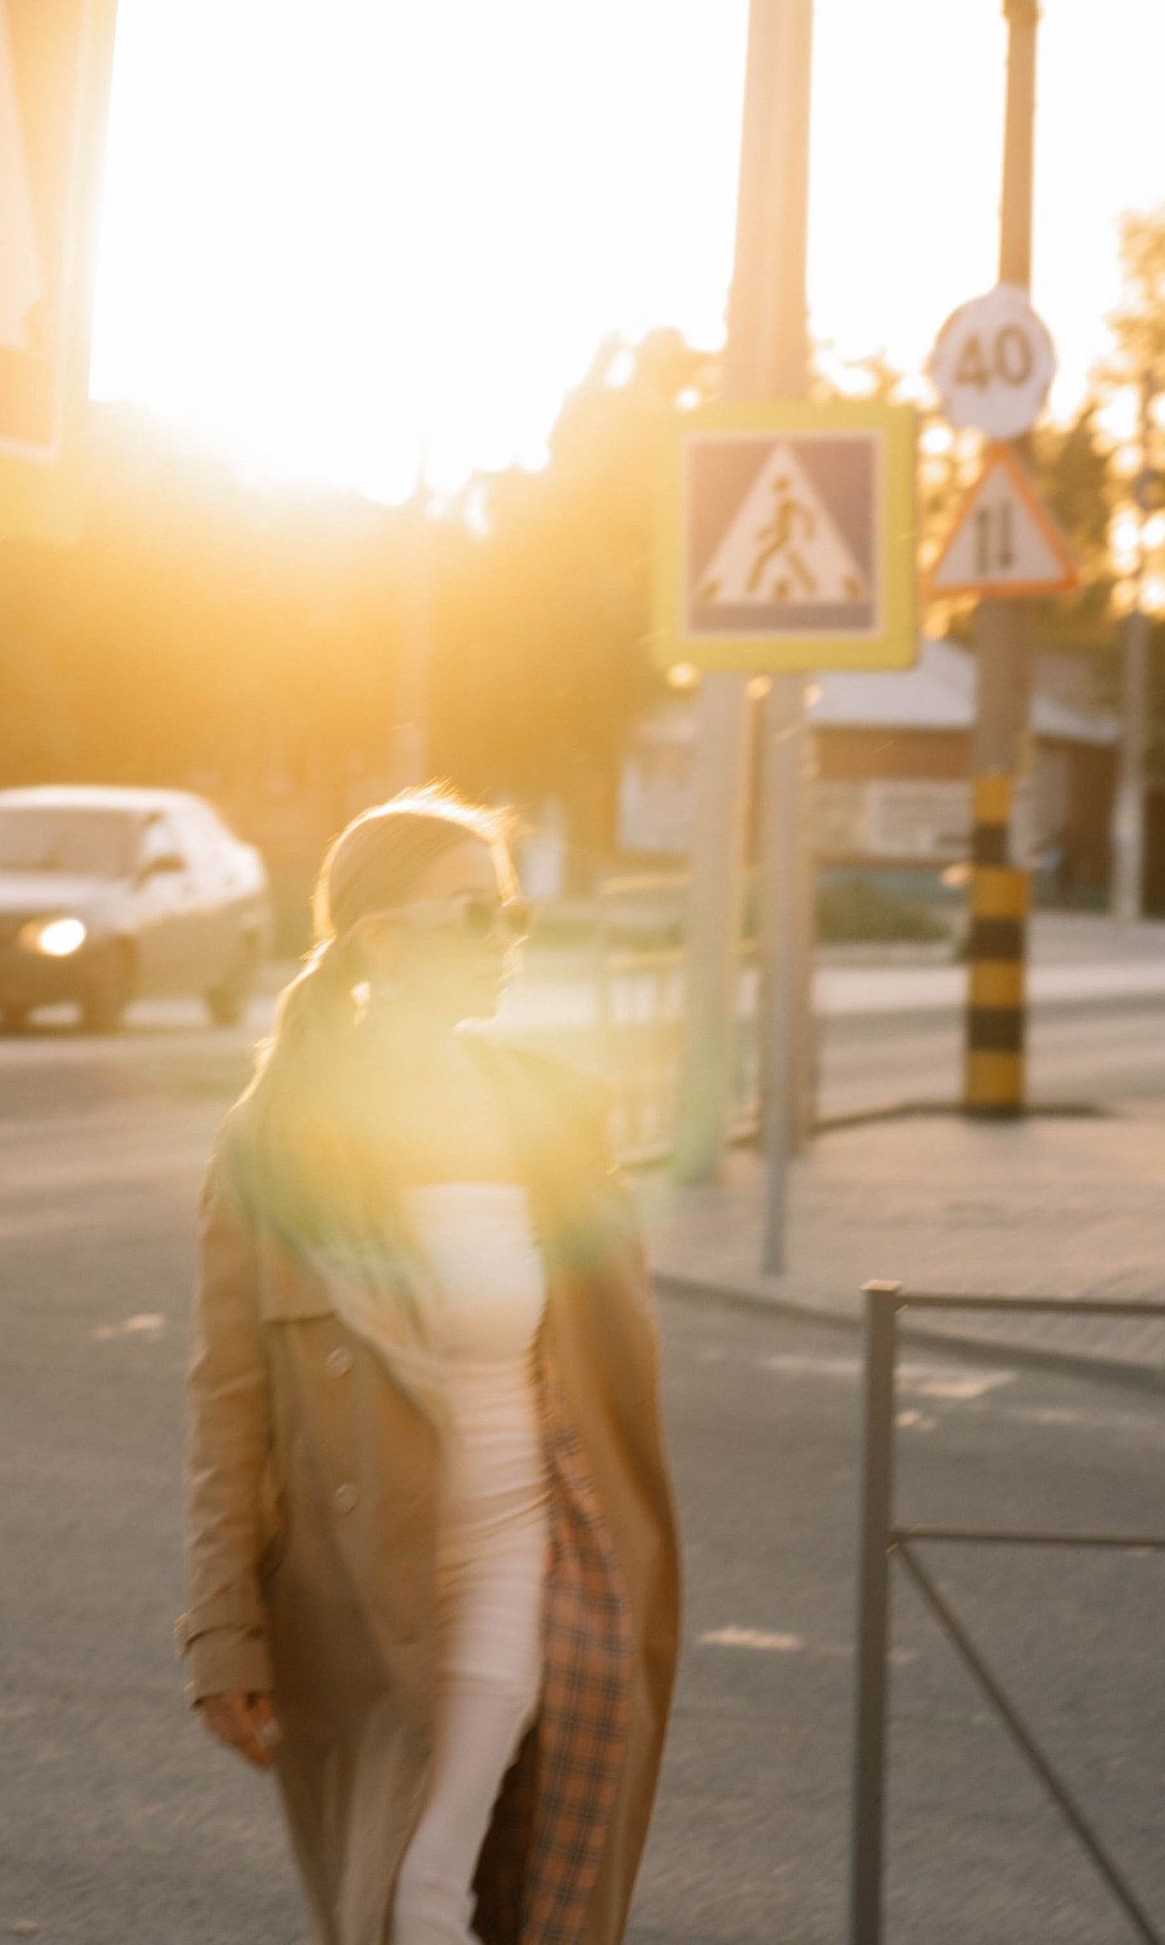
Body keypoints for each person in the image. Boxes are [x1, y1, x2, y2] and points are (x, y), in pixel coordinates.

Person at [180, 790, 681, 1945]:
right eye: (470, 916)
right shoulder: (275, 1140)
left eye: (510, 915)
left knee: (428, 1881)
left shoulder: (549, 1118)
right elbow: (226, 1406)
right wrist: (223, 1627)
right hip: (353, 1597)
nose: (504, 941)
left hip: (525, 1550)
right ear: (381, 940)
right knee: (397, 1892)